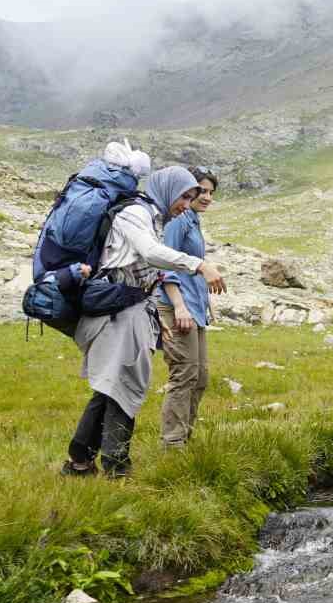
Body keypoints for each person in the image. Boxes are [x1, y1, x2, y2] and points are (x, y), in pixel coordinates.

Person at [65, 166, 216, 478]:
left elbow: (145, 272)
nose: (186, 204)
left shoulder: (154, 217)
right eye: (184, 196)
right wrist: (199, 265)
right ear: (166, 190)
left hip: (133, 310)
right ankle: (117, 468)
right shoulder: (136, 213)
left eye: (191, 197)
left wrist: (154, 316)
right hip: (117, 310)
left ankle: (79, 462)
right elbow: (150, 254)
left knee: (110, 386)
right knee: (124, 386)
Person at [155, 167, 226, 448]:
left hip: (194, 308)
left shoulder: (193, 219)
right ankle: (172, 445)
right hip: (177, 308)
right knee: (184, 375)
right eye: (201, 191)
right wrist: (180, 307)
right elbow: (166, 264)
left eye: (210, 192)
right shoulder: (178, 219)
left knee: (199, 377)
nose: (206, 197)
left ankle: (185, 437)